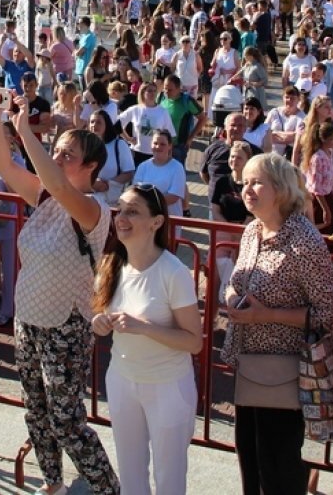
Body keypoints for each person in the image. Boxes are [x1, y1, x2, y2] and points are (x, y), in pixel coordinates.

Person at [0, 93, 119, 495]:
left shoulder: (94, 209)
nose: (57, 158)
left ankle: (108, 487)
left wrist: (24, 131)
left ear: (91, 166)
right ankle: (52, 482)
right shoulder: (43, 197)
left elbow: (58, 184)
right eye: (55, 150)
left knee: (66, 419)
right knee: (36, 410)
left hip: (66, 325)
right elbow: (5, 165)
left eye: (67, 154)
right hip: (29, 319)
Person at [222, 153, 333, 495]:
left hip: (285, 373)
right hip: (249, 366)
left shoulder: (303, 239)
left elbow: (329, 312)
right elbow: (237, 282)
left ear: (281, 188)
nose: (248, 190)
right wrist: (232, 295)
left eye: (257, 182)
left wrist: (267, 315)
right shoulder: (251, 232)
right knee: (250, 461)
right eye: (244, 182)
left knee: (278, 469)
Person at [91, 183, 202, 494]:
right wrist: (99, 324)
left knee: (169, 479)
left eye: (133, 211)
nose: (121, 217)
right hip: (122, 381)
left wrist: (144, 328)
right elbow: (103, 316)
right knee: (130, 474)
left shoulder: (174, 272)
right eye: (121, 210)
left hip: (168, 387)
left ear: (156, 222)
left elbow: (194, 341)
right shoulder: (111, 264)